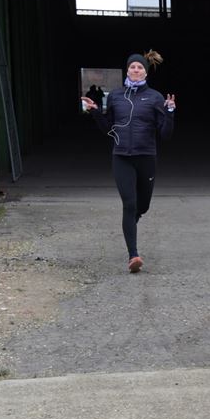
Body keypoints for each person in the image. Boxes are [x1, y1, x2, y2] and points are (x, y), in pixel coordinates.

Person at [81, 49, 176, 273]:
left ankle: (130, 225)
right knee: (129, 204)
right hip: (121, 157)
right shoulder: (115, 96)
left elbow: (166, 134)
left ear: (145, 72)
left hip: (146, 157)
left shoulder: (155, 97)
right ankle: (133, 255)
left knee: (143, 206)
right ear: (127, 70)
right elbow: (107, 128)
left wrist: (170, 113)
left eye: (139, 67)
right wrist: (95, 112)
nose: (135, 70)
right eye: (132, 67)